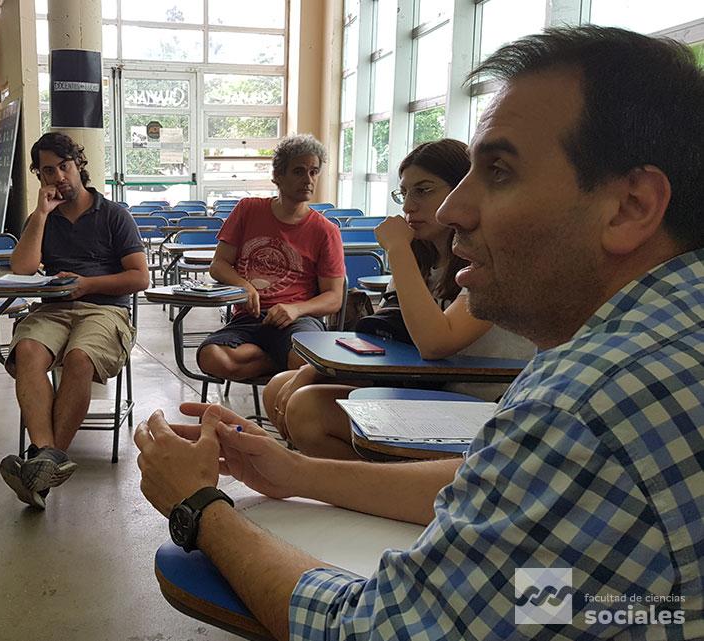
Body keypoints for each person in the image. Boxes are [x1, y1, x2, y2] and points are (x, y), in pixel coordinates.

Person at [135, 26, 704, 640]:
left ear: (632, 206)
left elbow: (374, 629)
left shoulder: (589, 404)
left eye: (500, 171)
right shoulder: (649, 341)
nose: (453, 209)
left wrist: (200, 508)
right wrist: (293, 473)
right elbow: (500, 490)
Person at [263, 139, 533, 459]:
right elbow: (390, 336)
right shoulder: (424, 257)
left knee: (307, 409)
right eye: (404, 193)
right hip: (427, 386)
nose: (408, 206)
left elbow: (435, 343)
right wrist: (317, 370)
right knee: (278, 386)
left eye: (423, 191)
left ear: (463, 190)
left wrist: (398, 249)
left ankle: (402, 483)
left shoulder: (491, 260)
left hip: (483, 401)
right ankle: (384, 479)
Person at [0, 132, 149, 510]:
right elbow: (23, 268)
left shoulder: (113, 215)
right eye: (48, 171)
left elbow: (140, 278)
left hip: (106, 310)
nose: (58, 177)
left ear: (78, 165)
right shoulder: (43, 218)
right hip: (53, 309)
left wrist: (87, 285)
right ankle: (46, 457)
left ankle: (42, 462)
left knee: (80, 358)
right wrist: (40, 215)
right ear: (40, 176)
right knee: (28, 350)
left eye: (64, 166)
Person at [196, 134, 345, 382]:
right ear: (278, 176)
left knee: (305, 362)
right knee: (211, 357)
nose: (308, 180)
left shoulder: (326, 231)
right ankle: (277, 358)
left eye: (314, 172)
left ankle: (279, 358)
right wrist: (243, 285)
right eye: (298, 171)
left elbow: (334, 297)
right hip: (249, 318)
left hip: (299, 320)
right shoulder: (248, 209)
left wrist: (295, 309)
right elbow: (218, 265)